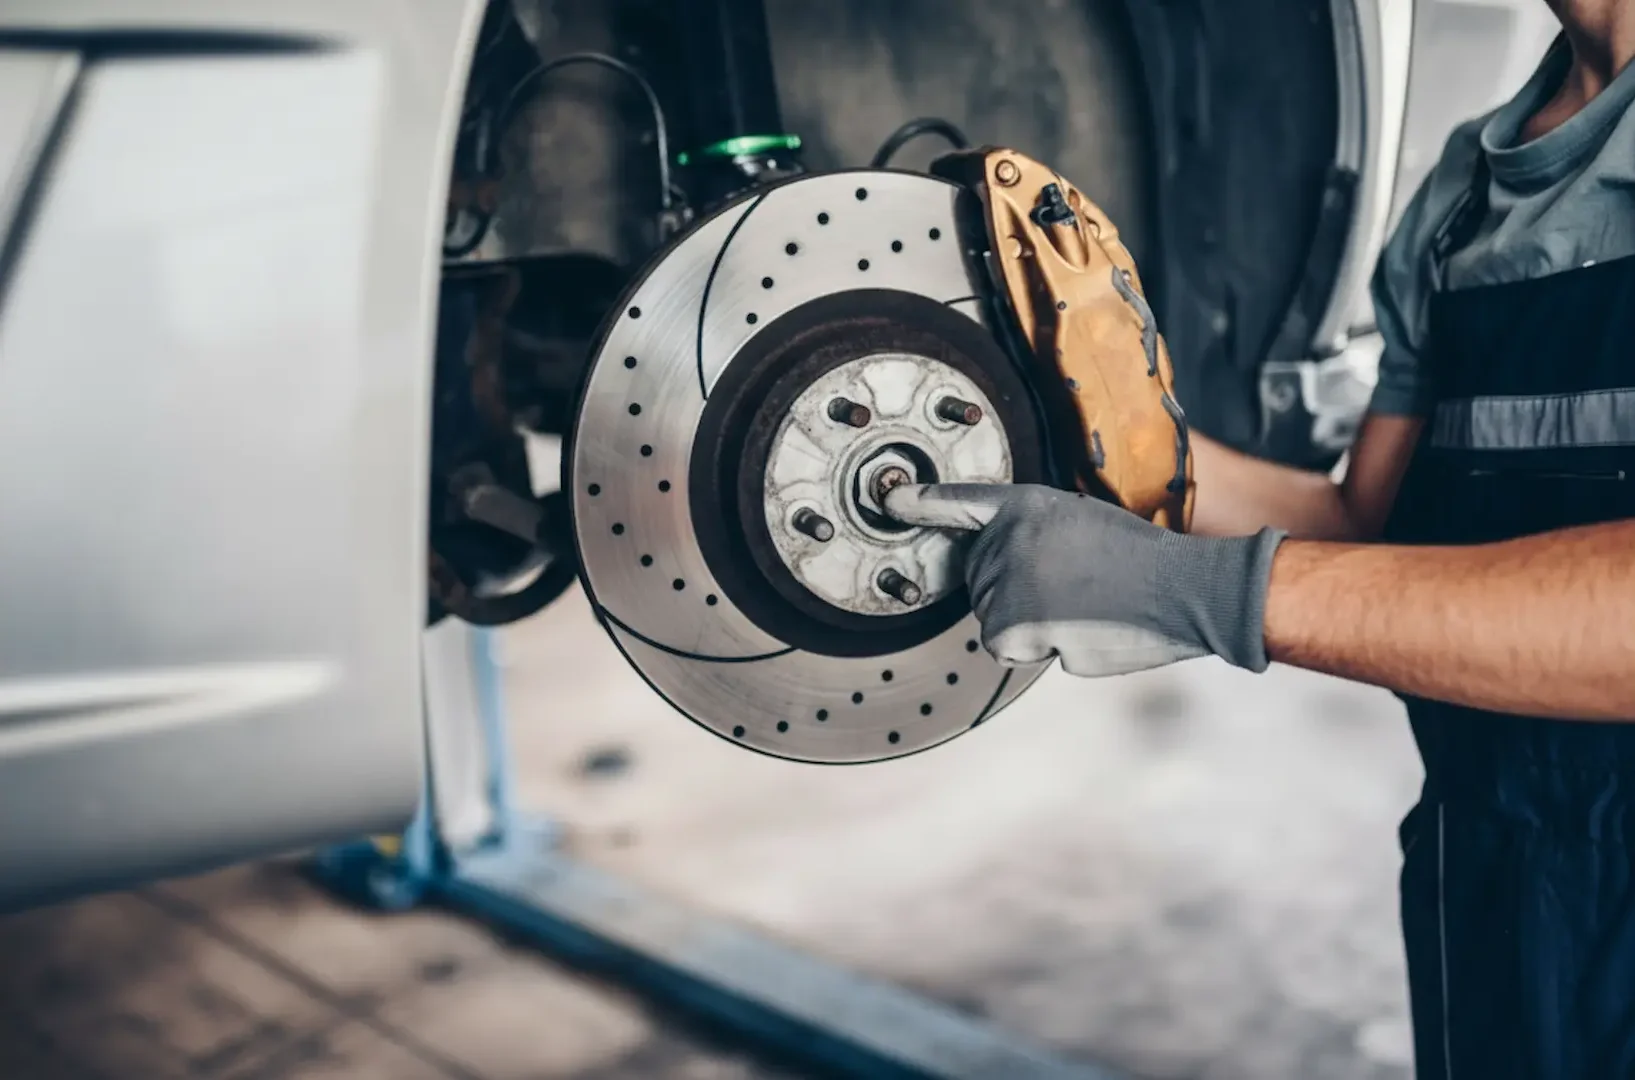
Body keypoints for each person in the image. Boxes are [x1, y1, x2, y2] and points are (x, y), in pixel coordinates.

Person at [892, 2, 1635, 1076]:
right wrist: (1090, 433)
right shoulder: (1466, 195)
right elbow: (1366, 531)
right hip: (1490, 875)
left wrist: (1190, 587)